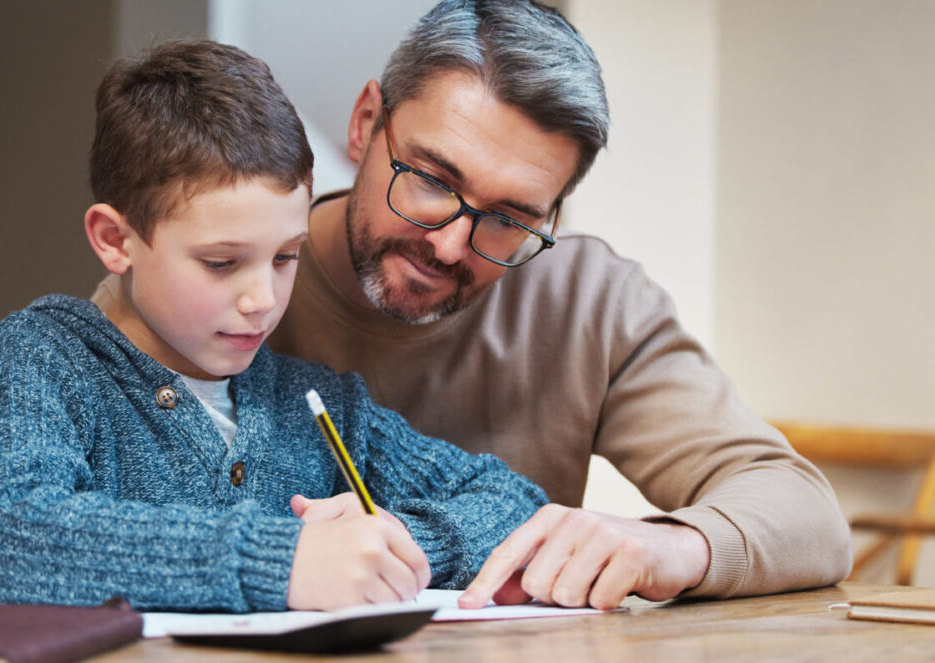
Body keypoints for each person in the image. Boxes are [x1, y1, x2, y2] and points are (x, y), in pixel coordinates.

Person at [263, 0, 852, 609]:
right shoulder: (221, 277)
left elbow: (806, 514)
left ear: (552, 216)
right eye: (433, 181)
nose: (448, 244)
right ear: (364, 124)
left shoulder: (590, 303)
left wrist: (670, 546)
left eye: (507, 219)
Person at [0, 39, 550, 613]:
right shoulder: (41, 358)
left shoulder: (315, 406)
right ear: (115, 239)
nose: (262, 300)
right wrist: (279, 560)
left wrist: (398, 538)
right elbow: (7, 536)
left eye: (286, 257)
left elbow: (515, 505)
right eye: (221, 263)